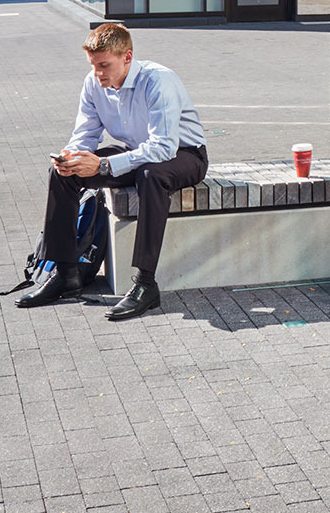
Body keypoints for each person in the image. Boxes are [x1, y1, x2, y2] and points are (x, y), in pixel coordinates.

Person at [16, 22, 208, 321]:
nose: (98, 73)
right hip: (136, 152)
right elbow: (85, 134)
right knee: (64, 174)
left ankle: (146, 285)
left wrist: (105, 164)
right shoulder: (94, 84)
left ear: (127, 57)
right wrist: (71, 156)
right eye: (94, 65)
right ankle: (66, 273)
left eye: (104, 65)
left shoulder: (158, 81)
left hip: (183, 156)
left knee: (151, 176)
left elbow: (164, 149)